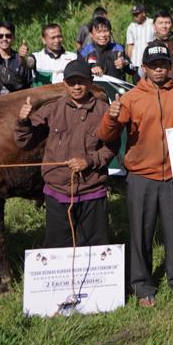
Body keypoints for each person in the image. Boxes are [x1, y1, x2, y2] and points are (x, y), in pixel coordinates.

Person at [98, 41, 173, 307]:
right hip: (140, 176)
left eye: (163, 65)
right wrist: (111, 117)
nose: (159, 70)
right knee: (141, 232)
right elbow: (105, 135)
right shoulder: (131, 97)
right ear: (144, 68)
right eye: (153, 66)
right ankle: (142, 284)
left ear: (170, 67)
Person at [15, 60, 118, 248]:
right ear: (64, 84)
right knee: (57, 246)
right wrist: (23, 121)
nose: (77, 86)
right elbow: (25, 141)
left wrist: (89, 161)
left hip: (92, 191)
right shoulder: (52, 109)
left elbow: (111, 147)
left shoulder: (104, 111)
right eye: (71, 82)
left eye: (81, 81)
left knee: (94, 247)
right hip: (57, 192)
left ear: (90, 81)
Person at [78, 17, 136, 82]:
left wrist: (125, 63)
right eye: (99, 32)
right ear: (91, 34)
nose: (103, 35)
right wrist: (90, 70)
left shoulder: (119, 49)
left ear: (110, 33)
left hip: (117, 89)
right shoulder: (85, 51)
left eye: (105, 31)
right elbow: (77, 71)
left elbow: (133, 70)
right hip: (94, 90)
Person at [150, 12, 173, 81]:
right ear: (154, 25)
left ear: (172, 25)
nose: (164, 26)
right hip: (158, 85)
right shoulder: (150, 46)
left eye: (167, 23)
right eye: (160, 23)